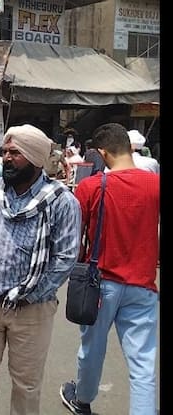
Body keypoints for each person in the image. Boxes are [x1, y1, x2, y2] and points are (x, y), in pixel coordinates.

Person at [0, 124, 81, 415]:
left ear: (35, 158)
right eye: (5, 152)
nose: (7, 158)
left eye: (16, 153)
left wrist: (30, 294)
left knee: (27, 384)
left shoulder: (60, 201)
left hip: (31, 310)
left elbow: (66, 258)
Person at [60, 123, 159, 415]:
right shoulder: (155, 184)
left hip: (100, 283)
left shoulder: (91, 186)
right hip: (143, 284)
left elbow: (74, 238)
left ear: (102, 153)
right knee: (143, 362)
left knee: (92, 350)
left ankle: (83, 400)